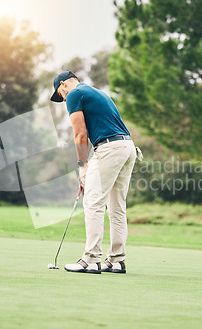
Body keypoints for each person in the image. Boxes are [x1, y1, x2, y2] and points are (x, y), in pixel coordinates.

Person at [50, 71, 137, 274]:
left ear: (63, 85)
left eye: (60, 95)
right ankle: (116, 260)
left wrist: (82, 165)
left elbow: (80, 134)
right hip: (128, 147)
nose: (63, 99)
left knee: (93, 202)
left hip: (109, 148)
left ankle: (90, 259)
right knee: (116, 207)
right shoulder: (98, 92)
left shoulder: (73, 94)